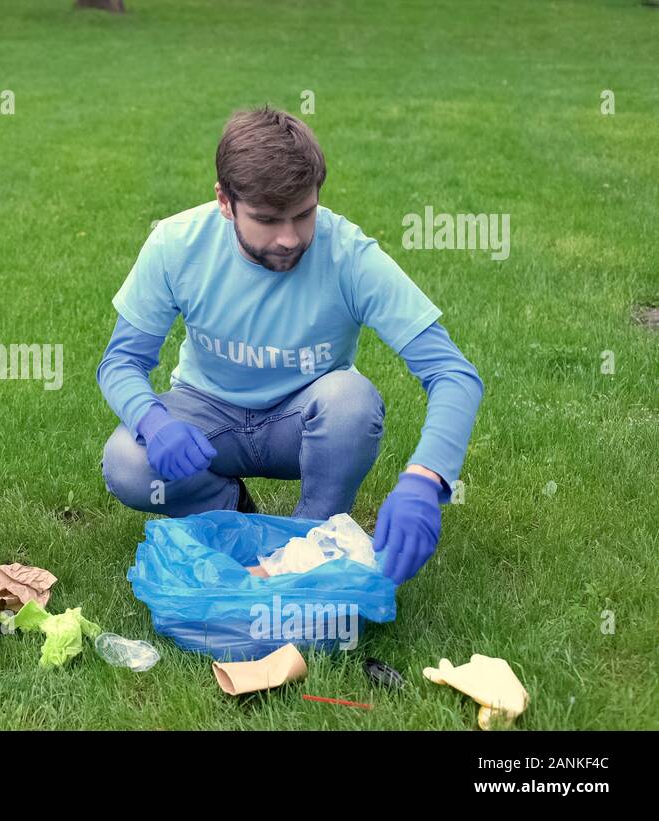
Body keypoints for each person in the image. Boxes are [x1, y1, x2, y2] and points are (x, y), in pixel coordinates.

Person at [97, 106, 483, 585]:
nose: (289, 238)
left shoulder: (349, 255)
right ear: (224, 201)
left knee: (351, 400)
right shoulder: (176, 244)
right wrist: (154, 424)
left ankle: (311, 540)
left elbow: (453, 374)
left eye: (304, 214)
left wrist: (426, 480)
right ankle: (231, 514)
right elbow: (120, 363)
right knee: (128, 463)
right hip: (208, 420)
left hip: (303, 424)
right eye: (267, 219)